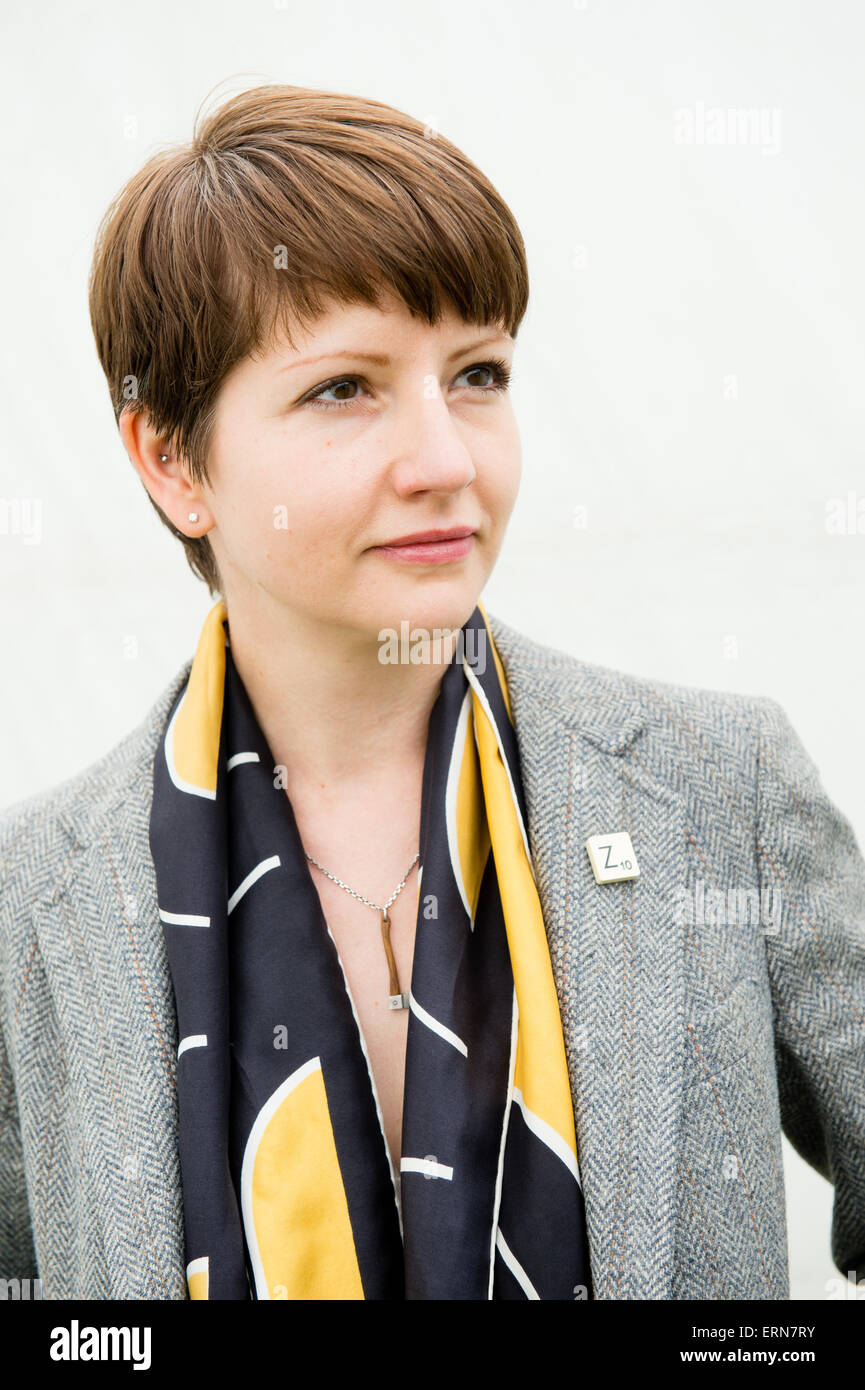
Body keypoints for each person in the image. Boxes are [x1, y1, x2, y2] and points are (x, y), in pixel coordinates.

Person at [1, 83, 863, 1302]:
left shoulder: (720, 787)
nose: (447, 460)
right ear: (173, 459)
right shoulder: (38, 892)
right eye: (344, 388)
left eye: (478, 374)